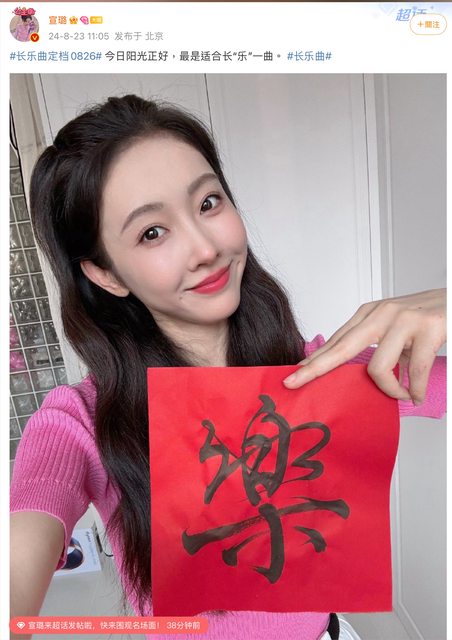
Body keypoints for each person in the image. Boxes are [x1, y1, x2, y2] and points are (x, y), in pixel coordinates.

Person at [10, 95, 446, 640]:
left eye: (208, 202)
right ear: (106, 274)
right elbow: (18, 566)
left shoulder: (319, 371)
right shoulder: (81, 422)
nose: (205, 248)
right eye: (152, 232)